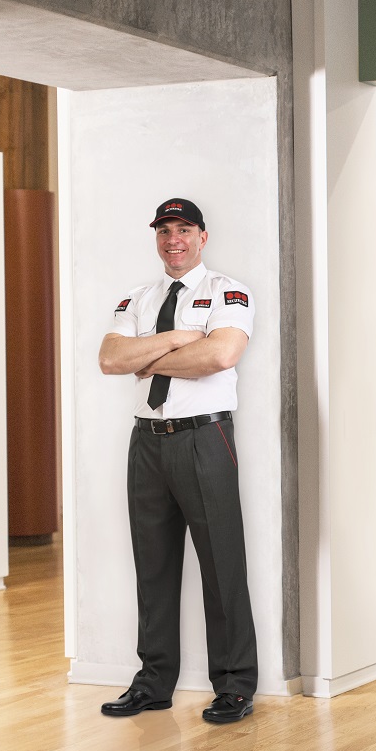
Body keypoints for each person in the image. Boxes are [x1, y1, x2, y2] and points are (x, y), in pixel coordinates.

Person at [97, 198, 258, 722]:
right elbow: (110, 359)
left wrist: (147, 356)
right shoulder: (137, 299)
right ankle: (153, 682)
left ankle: (234, 685)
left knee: (221, 562)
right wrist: (173, 340)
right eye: (164, 230)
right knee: (153, 566)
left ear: (202, 237)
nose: (174, 240)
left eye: (184, 229)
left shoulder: (228, 293)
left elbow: (220, 354)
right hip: (147, 442)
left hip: (204, 438)